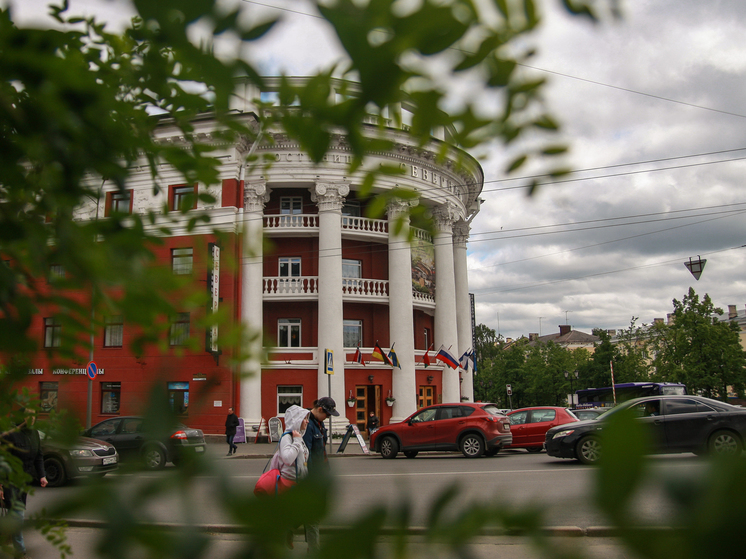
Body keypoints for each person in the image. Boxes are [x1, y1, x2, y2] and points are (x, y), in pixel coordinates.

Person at [1, 408, 48, 559]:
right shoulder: (11, 434)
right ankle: (20, 551)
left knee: (14, 516)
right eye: (28, 415)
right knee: (18, 516)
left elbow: (39, 456)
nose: (32, 418)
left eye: (33, 415)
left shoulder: (34, 434)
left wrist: (42, 475)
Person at [268, 405, 310, 547]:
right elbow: (287, 459)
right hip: (288, 484)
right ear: (297, 420)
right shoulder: (288, 437)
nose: (307, 421)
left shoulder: (299, 436)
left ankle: (287, 532)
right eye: (304, 418)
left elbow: (303, 460)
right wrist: (297, 441)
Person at [302, 397, 339, 552]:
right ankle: (313, 549)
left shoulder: (319, 423)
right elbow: (305, 453)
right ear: (320, 409)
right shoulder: (308, 425)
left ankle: (289, 529)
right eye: (327, 414)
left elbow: (322, 451)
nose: (328, 418)